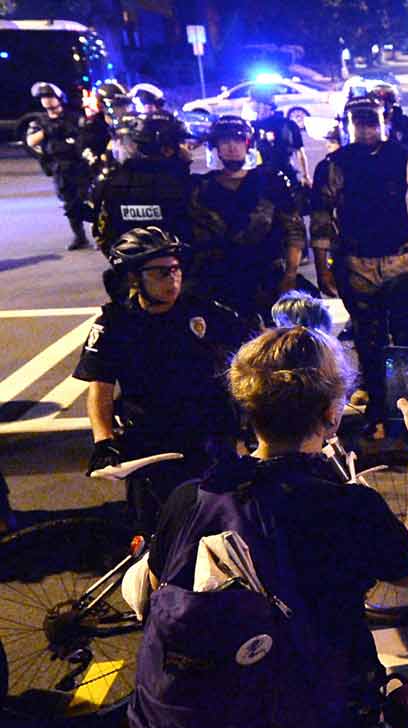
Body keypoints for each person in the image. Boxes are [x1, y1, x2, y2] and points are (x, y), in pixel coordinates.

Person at [144, 325, 408, 728]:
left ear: (247, 407)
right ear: (332, 413)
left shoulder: (192, 499)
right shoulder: (346, 507)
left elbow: (155, 590)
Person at [74, 227, 250, 531]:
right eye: (159, 273)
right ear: (133, 278)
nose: (172, 279)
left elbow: (250, 356)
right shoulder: (115, 324)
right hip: (152, 442)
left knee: (226, 527)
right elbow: (100, 389)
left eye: (175, 270)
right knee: (158, 532)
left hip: (209, 435)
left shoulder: (202, 311)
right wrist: (103, 442)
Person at [310, 95, 408, 437]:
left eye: (372, 123)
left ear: (384, 123)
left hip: (400, 261)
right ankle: (378, 409)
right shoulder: (334, 166)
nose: (366, 130)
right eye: (359, 123)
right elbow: (320, 222)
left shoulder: (407, 159)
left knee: (407, 336)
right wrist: (324, 269)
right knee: (369, 339)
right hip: (356, 264)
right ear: (348, 126)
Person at [189, 115, 306, 328]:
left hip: (267, 280)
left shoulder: (271, 182)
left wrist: (290, 275)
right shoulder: (200, 188)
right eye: (225, 141)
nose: (232, 147)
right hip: (220, 283)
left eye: (237, 140)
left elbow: (294, 231)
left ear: (247, 144)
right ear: (216, 147)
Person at [92, 111, 195, 259]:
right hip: (177, 269)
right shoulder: (185, 186)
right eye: (179, 144)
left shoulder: (113, 183)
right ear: (167, 150)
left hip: (130, 270)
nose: (185, 149)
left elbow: (102, 234)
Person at [25, 81, 92, 250]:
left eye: (49, 96)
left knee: (90, 202)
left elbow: (88, 136)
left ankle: (100, 236)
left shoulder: (74, 117)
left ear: (59, 98)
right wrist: (47, 130)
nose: (46, 100)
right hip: (59, 169)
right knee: (69, 205)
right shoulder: (40, 121)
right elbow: (31, 141)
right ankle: (80, 237)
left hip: (80, 166)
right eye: (43, 98)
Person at [248, 83, 310, 205]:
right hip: (267, 178)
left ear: (261, 103)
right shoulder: (253, 126)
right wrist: (305, 176)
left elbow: (300, 152)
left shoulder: (286, 125)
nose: (249, 103)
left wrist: (306, 176)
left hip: (279, 178)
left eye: (251, 100)